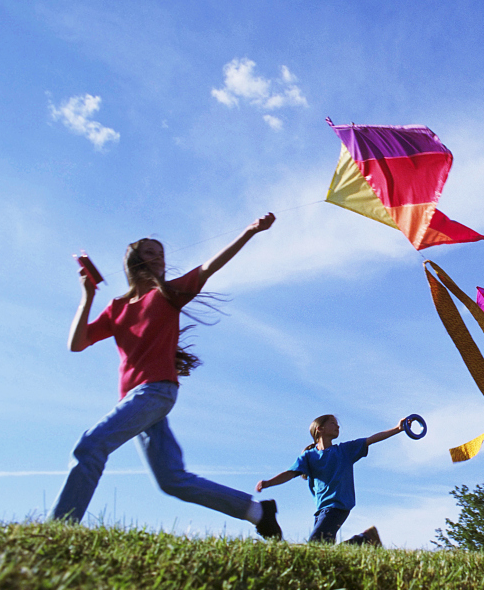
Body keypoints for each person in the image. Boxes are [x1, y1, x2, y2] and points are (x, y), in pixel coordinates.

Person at [50, 213, 283, 540]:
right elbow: (77, 344)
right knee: (171, 480)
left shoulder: (168, 294)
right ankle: (257, 512)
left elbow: (208, 267)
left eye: (161, 252)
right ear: (134, 261)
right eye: (149, 251)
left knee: (91, 445)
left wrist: (249, 231)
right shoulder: (117, 308)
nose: (158, 256)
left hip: (155, 393)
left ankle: (59, 530)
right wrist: (87, 297)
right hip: (136, 401)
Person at [256, 414, 404, 545]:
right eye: (332, 423)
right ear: (319, 429)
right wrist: (269, 483)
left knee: (315, 544)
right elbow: (290, 473)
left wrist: (397, 429)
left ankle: (365, 539)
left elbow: (370, 440)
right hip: (322, 510)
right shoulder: (309, 457)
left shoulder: (344, 451)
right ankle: (365, 540)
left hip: (337, 506)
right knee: (324, 549)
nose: (337, 426)